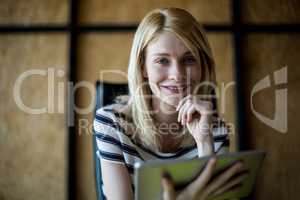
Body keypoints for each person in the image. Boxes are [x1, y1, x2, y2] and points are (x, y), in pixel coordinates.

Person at [93, 7, 246, 200]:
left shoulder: (215, 131)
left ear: (202, 65)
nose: (177, 75)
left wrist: (204, 143)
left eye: (189, 59)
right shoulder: (111, 123)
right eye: (163, 60)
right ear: (143, 67)